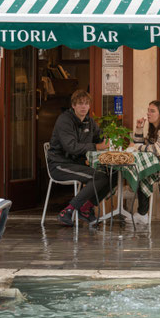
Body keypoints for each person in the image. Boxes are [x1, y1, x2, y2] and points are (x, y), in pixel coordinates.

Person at [49, 90, 113, 226]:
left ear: (89, 106)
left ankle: (85, 208)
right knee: (99, 177)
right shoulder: (65, 120)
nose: (83, 107)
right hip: (60, 164)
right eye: (80, 104)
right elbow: (71, 147)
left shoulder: (89, 122)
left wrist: (109, 139)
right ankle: (67, 211)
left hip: (76, 163)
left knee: (113, 175)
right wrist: (97, 147)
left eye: (86, 104)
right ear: (73, 105)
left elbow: (101, 137)